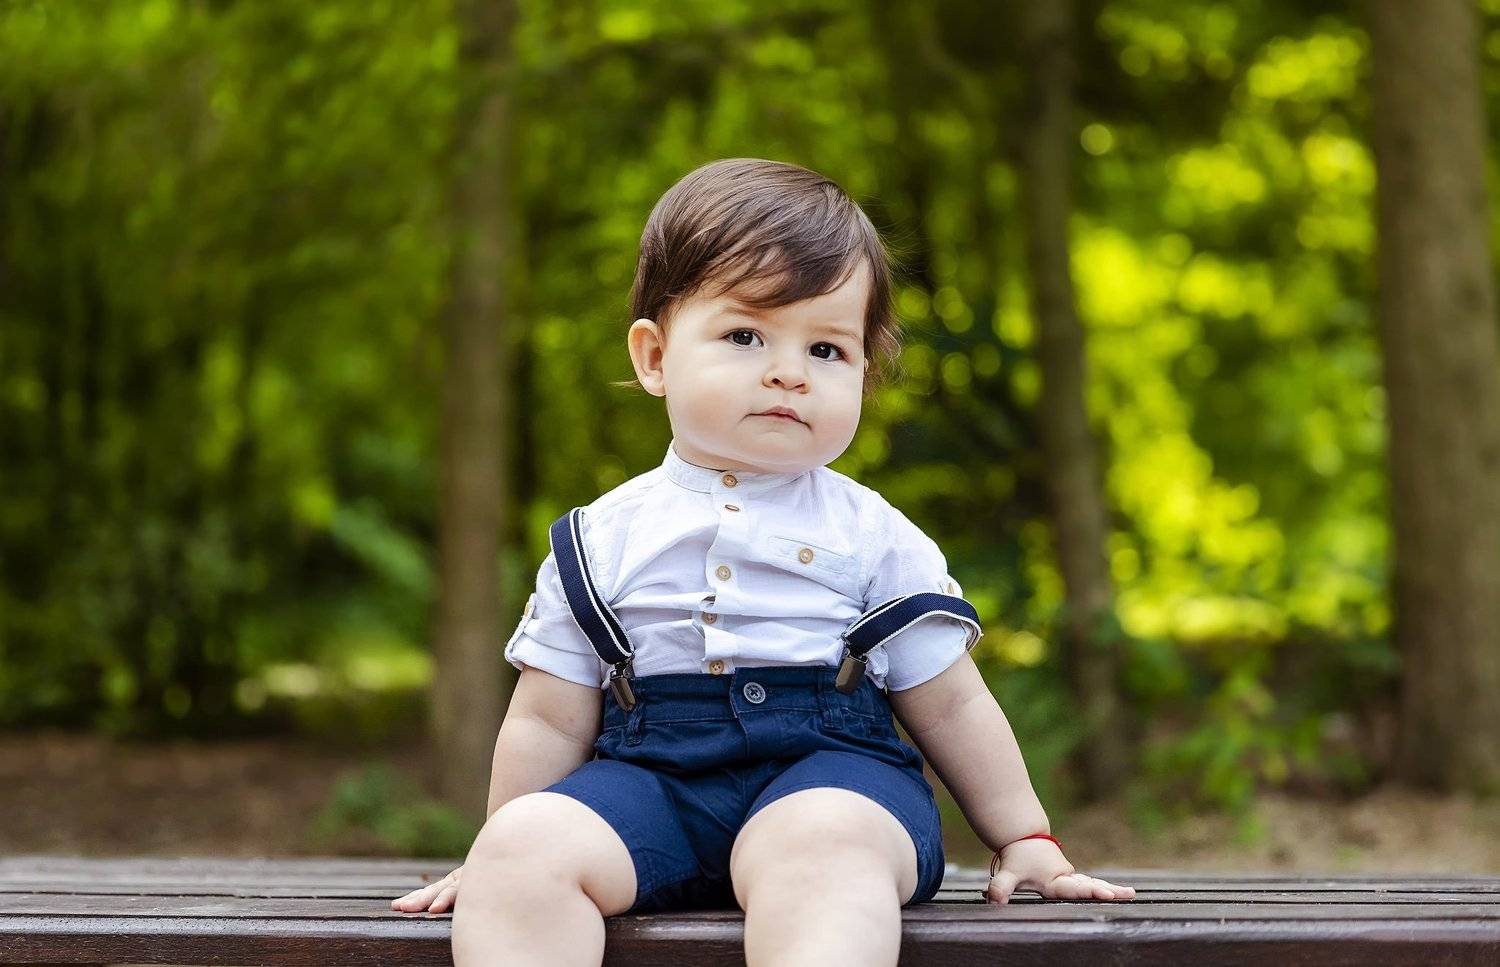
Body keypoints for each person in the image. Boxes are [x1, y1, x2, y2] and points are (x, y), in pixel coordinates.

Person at [391, 157, 1136, 965]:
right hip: (655, 788)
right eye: (745, 335)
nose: (789, 371)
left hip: (836, 775)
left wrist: (1024, 835)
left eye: (827, 348)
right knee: (524, 851)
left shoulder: (875, 535)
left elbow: (952, 704)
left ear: (863, 372)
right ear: (654, 357)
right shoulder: (600, 539)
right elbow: (547, 716)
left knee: (823, 845)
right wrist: (501, 844)